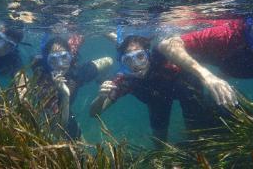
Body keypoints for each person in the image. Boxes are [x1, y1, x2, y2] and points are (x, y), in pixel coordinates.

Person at [90, 35, 234, 147]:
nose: (136, 65)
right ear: (123, 62)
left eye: (140, 57)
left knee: (195, 131)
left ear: (148, 55)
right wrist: (101, 98)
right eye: (128, 60)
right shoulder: (125, 80)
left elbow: (171, 45)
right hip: (157, 101)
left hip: (187, 91)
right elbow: (94, 113)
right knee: (159, 141)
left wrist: (208, 76)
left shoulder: (160, 58)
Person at [20, 33, 113, 139]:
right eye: (53, 60)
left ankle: (74, 40)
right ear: (47, 62)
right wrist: (65, 94)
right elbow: (58, 129)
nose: (60, 64)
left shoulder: (78, 73)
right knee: (76, 139)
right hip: (60, 108)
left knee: (75, 41)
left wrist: (102, 79)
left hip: (71, 60)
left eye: (64, 57)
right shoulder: (44, 82)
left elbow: (108, 61)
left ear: (70, 57)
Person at [157, 17, 253, 80]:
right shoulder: (228, 36)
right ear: (248, 28)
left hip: (230, 67)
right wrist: (207, 77)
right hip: (208, 57)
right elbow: (167, 44)